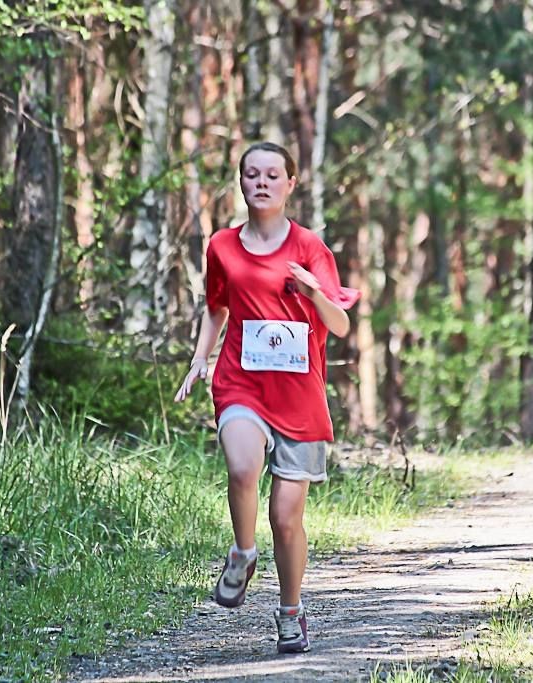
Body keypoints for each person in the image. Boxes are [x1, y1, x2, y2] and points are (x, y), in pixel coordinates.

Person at [174, 141, 358, 654]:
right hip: (242, 382)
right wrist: (199, 360)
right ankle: (242, 552)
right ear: (241, 182)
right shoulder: (222, 247)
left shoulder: (310, 250)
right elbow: (216, 308)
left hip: (298, 395)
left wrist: (312, 291)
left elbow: (340, 324)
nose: (262, 183)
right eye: (252, 174)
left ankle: (290, 610)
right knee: (241, 467)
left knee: (286, 518)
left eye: (273, 175)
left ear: (290, 184)